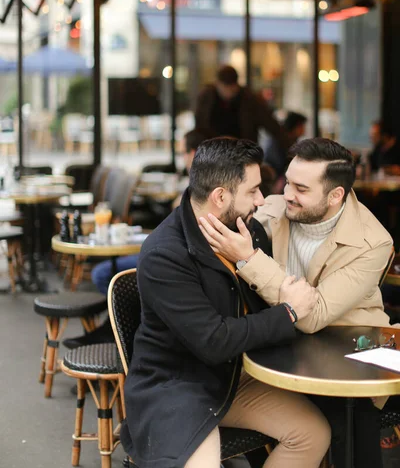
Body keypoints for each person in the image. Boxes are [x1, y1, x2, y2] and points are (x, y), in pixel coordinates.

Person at [121, 137, 330, 468]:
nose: (261, 201)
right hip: (177, 386)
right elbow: (214, 341)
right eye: (253, 191)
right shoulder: (165, 254)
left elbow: (258, 312)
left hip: (235, 378)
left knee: (313, 434)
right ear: (220, 196)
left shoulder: (247, 234)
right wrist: (288, 313)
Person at [199, 137, 393, 468]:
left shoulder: (373, 242)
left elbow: (312, 315)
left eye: (301, 188)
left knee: (348, 419)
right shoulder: (273, 209)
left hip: (349, 354)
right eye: (287, 181)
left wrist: (249, 259)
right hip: (285, 349)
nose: (287, 193)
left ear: (335, 196)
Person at [63, 128, 214, 350]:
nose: (181, 158)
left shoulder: (200, 185)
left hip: (176, 255)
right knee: (112, 273)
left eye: (182, 152)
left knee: (105, 273)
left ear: (192, 153)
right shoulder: (195, 181)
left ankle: (119, 329)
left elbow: (179, 211)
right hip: (170, 248)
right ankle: (116, 328)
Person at [195, 65, 286, 146]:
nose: (228, 92)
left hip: (242, 150)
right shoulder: (206, 97)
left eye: (231, 89)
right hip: (211, 150)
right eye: (225, 88)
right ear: (217, 84)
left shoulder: (249, 99)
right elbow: (199, 125)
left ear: (236, 85)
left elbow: (271, 125)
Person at [264, 111, 307, 179]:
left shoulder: (291, 140)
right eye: (301, 126)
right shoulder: (282, 140)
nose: (304, 129)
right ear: (295, 126)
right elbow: (278, 163)